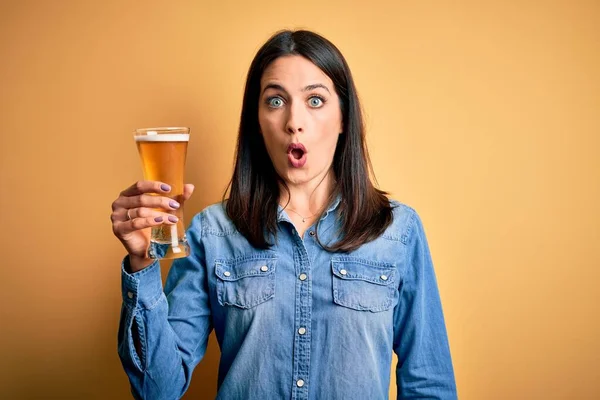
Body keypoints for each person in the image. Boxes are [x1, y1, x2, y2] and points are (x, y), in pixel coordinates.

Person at [111, 30, 457, 400]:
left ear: (344, 118)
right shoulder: (212, 233)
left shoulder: (397, 231)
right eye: (275, 101)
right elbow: (156, 390)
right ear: (257, 122)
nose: (295, 121)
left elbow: (429, 385)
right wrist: (142, 263)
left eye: (315, 100)